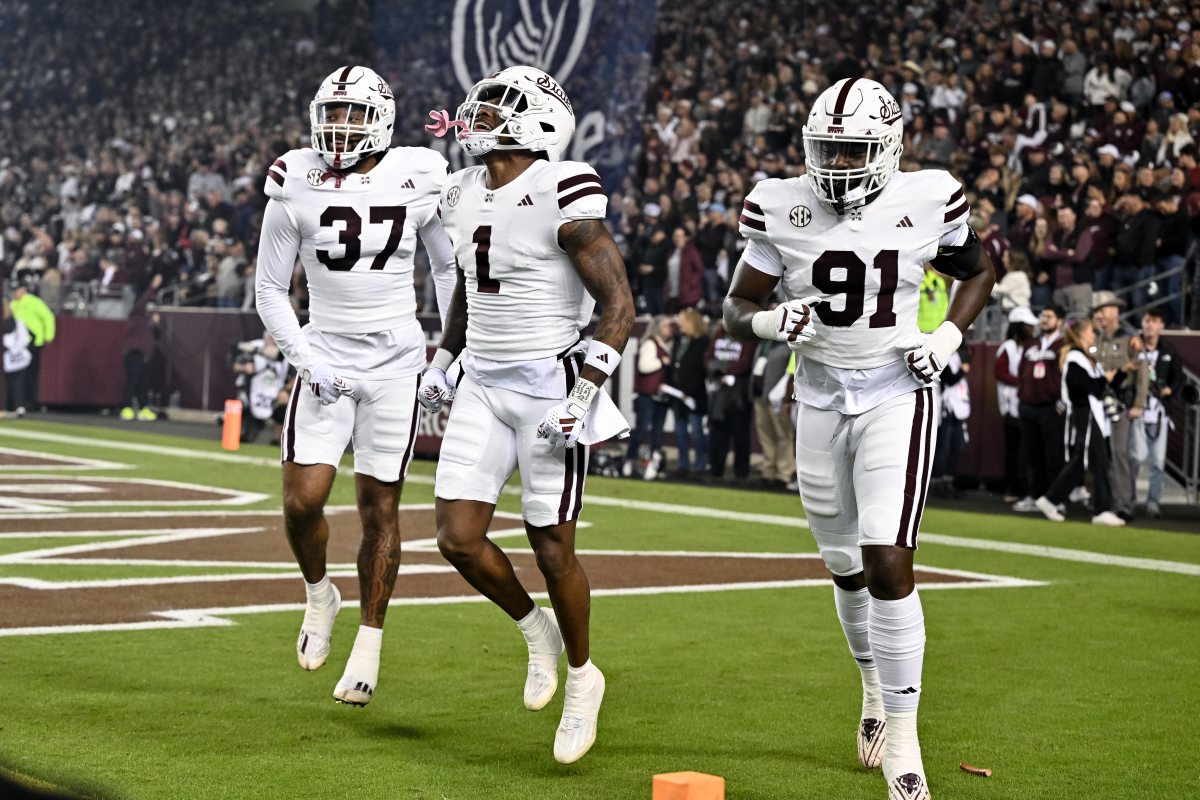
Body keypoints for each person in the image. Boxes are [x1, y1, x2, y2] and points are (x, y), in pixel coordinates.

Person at [724, 78, 995, 800]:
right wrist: (764, 324)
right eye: (828, 147)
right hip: (815, 396)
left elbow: (979, 269)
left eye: (854, 148)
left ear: (890, 147)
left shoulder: (929, 195)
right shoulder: (779, 203)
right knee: (844, 565)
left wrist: (946, 333)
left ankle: (906, 738)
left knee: (886, 555)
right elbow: (735, 305)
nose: (839, 161)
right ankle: (872, 687)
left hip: (895, 391)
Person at [418, 65, 635, 764]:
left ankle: (581, 676)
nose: (477, 116)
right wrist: (444, 357)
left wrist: (586, 392)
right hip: (482, 378)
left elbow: (618, 303)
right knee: (456, 538)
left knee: (552, 546)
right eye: (480, 105)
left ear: (538, 118)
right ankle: (534, 631)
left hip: (549, 381)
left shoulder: (561, 187)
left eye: (497, 107)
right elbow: (470, 286)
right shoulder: (459, 192)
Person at [254, 66, 456, 707]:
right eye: (332, 115)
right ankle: (320, 593)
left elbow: (449, 269)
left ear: (384, 119)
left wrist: (450, 352)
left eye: (352, 116)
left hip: (397, 363)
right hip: (326, 358)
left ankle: (369, 643)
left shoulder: (421, 172)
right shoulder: (293, 176)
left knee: (381, 510)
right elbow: (268, 290)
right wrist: (307, 361)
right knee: (301, 502)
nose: (340, 129)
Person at [1034, 320, 1125, 526]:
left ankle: (1051, 499)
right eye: (1090, 332)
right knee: (1090, 461)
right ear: (1081, 335)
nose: (1093, 335)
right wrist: (1106, 378)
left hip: (1093, 414)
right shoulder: (1075, 357)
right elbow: (1083, 387)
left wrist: (1121, 372)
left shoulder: (1088, 358)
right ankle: (1095, 508)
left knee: (1087, 461)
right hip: (1085, 413)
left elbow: (1101, 387)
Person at [1091, 291, 1147, 522]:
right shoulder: (1096, 339)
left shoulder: (1129, 338)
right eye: (1097, 312)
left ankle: (1124, 503)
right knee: (1104, 455)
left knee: (1119, 453)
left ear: (1114, 311)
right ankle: (1109, 501)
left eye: (1102, 310)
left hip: (1121, 402)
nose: (1099, 315)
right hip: (1100, 402)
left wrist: (1139, 403)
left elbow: (1143, 370)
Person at [1130, 308, 1184, 518]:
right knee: (1135, 457)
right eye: (1146, 321)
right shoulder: (1133, 347)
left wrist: (1170, 390)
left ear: (1161, 325)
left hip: (1159, 411)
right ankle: (1130, 499)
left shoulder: (1169, 350)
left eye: (1154, 322)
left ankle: (1153, 502)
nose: (1150, 326)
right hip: (1138, 409)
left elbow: (1177, 378)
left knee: (1158, 461)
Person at [1013, 305, 1066, 513]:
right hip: (1028, 406)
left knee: (1054, 455)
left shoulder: (1063, 345)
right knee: (1032, 455)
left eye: (1049, 316)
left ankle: (1055, 498)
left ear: (1059, 321)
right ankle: (1035, 495)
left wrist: (1061, 401)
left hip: (1051, 407)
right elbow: (1021, 372)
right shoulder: (1031, 344)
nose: (1044, 320)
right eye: (1042, 316)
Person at [995, 307, 1038, 503]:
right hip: (1012, 405)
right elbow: (1000, 372)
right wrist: (1022, 382)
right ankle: (1010, 488)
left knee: (1030, 450)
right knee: (1013, 450)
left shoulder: (1031, 346)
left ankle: (1029, 488)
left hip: (1029, 403)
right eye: (1028, 325)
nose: (1031, 329)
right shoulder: (1008, 347)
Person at [624, 316, 674, 479]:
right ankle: (629, 460)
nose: (670, 329)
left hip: (660, 396)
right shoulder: (650, 344)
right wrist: (662, 361)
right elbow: (644, 366)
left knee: (657, 433)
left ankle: (653, 465)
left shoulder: (666, 345)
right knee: (642, 430)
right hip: (646, 395)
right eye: (667, 326)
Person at [664, 307, 710, 478]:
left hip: (694, 397)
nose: (679, 324)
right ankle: (683, 464)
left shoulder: (703, 341)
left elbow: (699, 371)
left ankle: (700, 465)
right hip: (677, 396)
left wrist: (688, 393)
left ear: (692, 322)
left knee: (697, 434)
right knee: (680, 433)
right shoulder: (677, 340)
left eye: (683, 320)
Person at [706, 320, 754, 481]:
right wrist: (718, 371)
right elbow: (708, 356)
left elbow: (746, 361)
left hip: (738, 393)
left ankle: (741, 473)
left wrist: (725, 370)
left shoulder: (746, 337)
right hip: (719, 391)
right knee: (718, 433)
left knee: (740, 434)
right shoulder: (719, 334)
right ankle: (716, 469)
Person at [752, 337, 797, 490]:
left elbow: (790, 375)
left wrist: (786, 399)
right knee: (766, 436)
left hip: (777, 399)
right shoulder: (763, 344)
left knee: (783, 435)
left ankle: (784, 473)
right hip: (760, 396)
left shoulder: (788, 345)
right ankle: (768, 471)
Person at [120, 274, 163, 421]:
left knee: (144, 384)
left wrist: (156, 323)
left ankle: (143, 408)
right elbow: (142, 302)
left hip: (145, 356)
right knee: (132, 382)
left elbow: (157, 336)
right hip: (134, 353)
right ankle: (126, 407)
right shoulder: (135, 315)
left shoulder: (148, 321)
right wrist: (153, 286)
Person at [232, 332, 289, 444]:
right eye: (272, 338)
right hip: (251, 393)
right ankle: (240, 434)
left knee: (286, 410)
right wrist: (244, 367)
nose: (274, 342)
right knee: (247, 432)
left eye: (277, 339)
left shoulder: (285, 353)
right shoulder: (255, 348)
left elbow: (295, 375)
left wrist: (285, 391)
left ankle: (276, 442)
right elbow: (236, 365)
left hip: (273, 395)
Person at [9, 280, 55, 411]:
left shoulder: (34, 301)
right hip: (18, 344)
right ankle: (19, 402)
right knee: (19, 374)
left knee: (30, 374)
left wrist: (48, 336)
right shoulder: (13, 304)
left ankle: (30, 401)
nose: (15, 293)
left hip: (33, 342)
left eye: (17, 290)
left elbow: (48, 316)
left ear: (24, 290)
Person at [2, 298, 32, 417]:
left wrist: (13, 349)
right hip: (11, 356)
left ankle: (17, 406)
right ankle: (11, 406)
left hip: (14, 356)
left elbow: (23, 338)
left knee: (15, 382)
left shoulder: (17, 322)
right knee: (11, 382)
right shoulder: (16, 322)